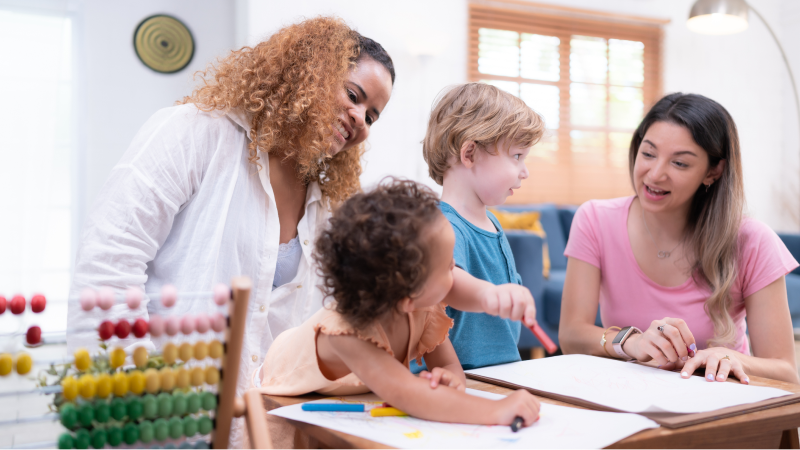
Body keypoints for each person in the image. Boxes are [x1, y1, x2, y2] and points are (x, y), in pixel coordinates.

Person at [67, 16, 395, 444]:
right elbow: (109, 263)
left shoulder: (330, 201)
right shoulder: (192, 131)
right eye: (353, 96)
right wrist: (134, 395)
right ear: (308, 71)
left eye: (372, 116)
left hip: (259, 429)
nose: (360, 120)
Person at [255, 179, 541, 428]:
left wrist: (451, 378)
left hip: (348, 393)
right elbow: (410, 396)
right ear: (407, 297)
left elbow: (450, 366)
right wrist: (497, 410)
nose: (455, 266)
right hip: (282, 386)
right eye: (446, 266)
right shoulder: (347, 335)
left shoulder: (424, 307)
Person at [559, 93, 799, 384]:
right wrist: (631, 341)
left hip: (720, 406)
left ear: (713, 171)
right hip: (629, 399)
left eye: (680, 164)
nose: (655, 174)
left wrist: (730, 358)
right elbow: (571, 335)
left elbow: (786, 371)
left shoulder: (753, 240)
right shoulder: (595, 219)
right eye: (648, 154)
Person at [417, 82, 545, 371]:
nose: (524, 172)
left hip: (497, 372)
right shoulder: (442, 223)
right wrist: (489, 295)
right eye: (517, 156)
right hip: (459, 377)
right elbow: (447, 282)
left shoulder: (491, 222)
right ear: (470, 154)